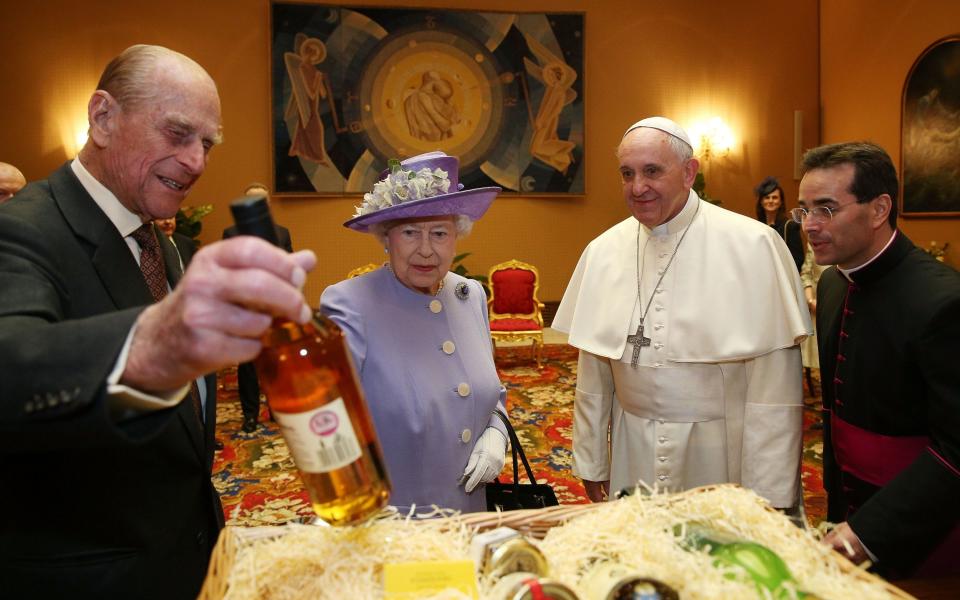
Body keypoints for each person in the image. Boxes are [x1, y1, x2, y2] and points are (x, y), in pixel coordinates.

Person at [0, 45, 316, 599]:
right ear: (102, 118)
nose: (197, 161)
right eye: (177, 134)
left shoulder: (165, 248)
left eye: (207, 144)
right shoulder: (21, 230)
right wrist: (155, 345)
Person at [553, 117, 810, 511]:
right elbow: (595, 370)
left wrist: (770, 491)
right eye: (627, 173)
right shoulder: (603, 251)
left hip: (721, 453)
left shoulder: (754, 245)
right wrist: (591, 458)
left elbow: (774, 389)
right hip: (631, 448)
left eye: (652, 171)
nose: (638, 188)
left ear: (690, 172)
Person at [797, 141, 960, 577]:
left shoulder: (944, 302)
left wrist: (869, 532)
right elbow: (834, 415)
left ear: (879, 208)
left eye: (826, 209)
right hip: (848, 508)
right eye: (804, 209)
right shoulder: (832, 285)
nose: (810, 225)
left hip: (926, 528)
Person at [321, 151, 508, 514]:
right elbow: (329, 426)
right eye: (410, 232)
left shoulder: (469, 295)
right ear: (386, 238)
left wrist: (496, 434)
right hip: (395, 522)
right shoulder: (349, 305)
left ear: (457, 237)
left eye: (439, 233)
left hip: (471, 514)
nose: (426, 250)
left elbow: (492, 392)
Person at [223, 182, 293, 433]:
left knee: (276, 361)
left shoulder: (282, 233)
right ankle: (250, 414)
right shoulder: (231, 235)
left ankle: (277, 409)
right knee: (249, 364)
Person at [755, 176, 805, 271]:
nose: (770, 201)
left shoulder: (790, 226)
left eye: (774, 197)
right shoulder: (757, 226)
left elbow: (798, 260)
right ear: (761, 201)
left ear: (781, 201)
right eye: (767, 197)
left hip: (783, 278)